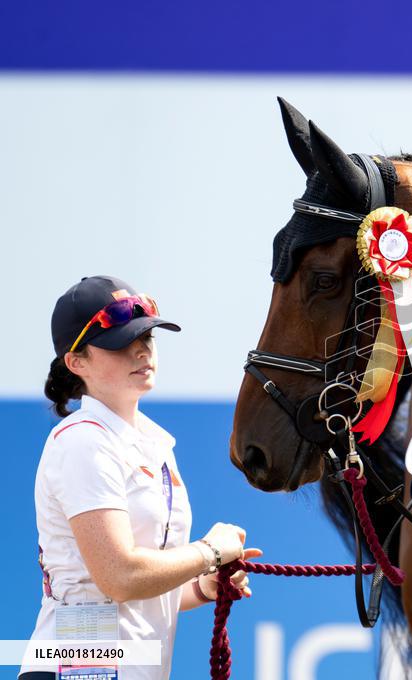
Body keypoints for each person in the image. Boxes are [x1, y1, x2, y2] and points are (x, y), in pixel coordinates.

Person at [20, 276, 262, 680]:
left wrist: (203, 587)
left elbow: (139, 596)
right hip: (74, 668)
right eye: (119, 343)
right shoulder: (82, 441)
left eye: (147, 339)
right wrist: (208, 553)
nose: (140, 350)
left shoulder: (154, 442)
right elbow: (120, 577)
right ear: (76, 362)